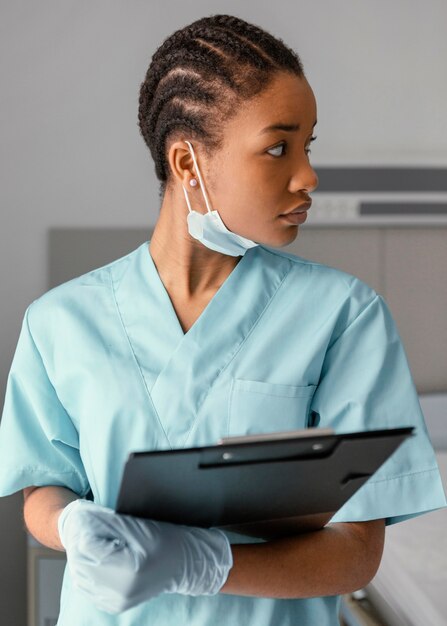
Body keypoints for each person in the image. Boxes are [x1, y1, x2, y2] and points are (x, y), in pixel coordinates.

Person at [0, 12, 445, 626]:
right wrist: (70, 523)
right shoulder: (60, 322)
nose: (308, 175)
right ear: (188, 164)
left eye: (308, 146)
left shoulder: (344, 316)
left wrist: (204, 562)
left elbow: (357, 555)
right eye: (278, 147)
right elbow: (43, 490)